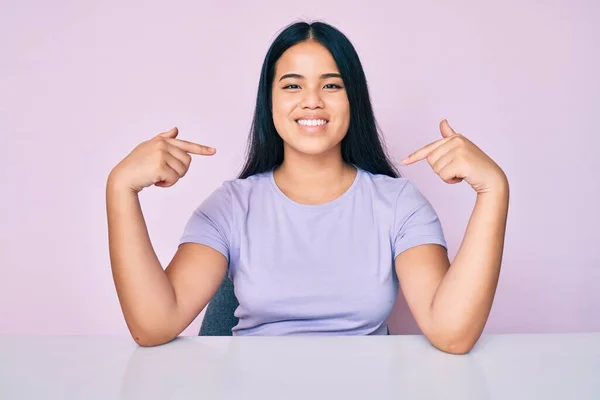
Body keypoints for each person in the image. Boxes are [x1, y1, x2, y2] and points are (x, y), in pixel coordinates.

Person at [106, 21, 509, 353]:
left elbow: (452, 333)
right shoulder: (231, 205)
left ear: (354, 100)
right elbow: (153, 325)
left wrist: (493, 189)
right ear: (270, 101)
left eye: (332, 85)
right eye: (293, 85)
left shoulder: (398, 203)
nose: (312, 101)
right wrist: (120, 188)